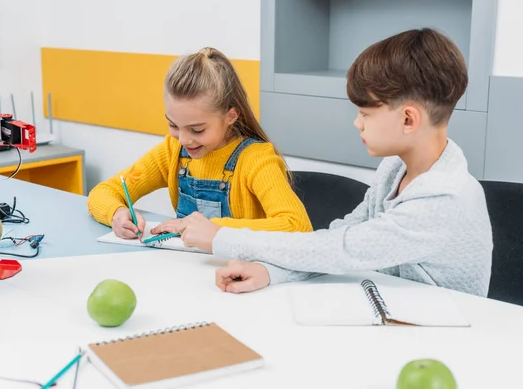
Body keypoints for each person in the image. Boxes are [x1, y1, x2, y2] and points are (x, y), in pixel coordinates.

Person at [174, 29, 493, 297]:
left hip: (444, 340)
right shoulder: (395, 169)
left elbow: (343, 249)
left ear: (408, 118)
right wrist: (272, 272)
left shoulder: (443, 198)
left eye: (366, 113)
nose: (357, 123)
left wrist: (221, 238)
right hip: (395, 314)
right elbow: (339, 239)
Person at [87, 47, 312, 239]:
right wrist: (116, 213)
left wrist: (214, 229)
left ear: (230, 116)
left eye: (197, 129)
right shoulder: (172, 151)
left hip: (241, 276)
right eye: (173, 125)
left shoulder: (257, 159)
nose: (184, 140)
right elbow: (105, 192)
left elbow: (297, 227)